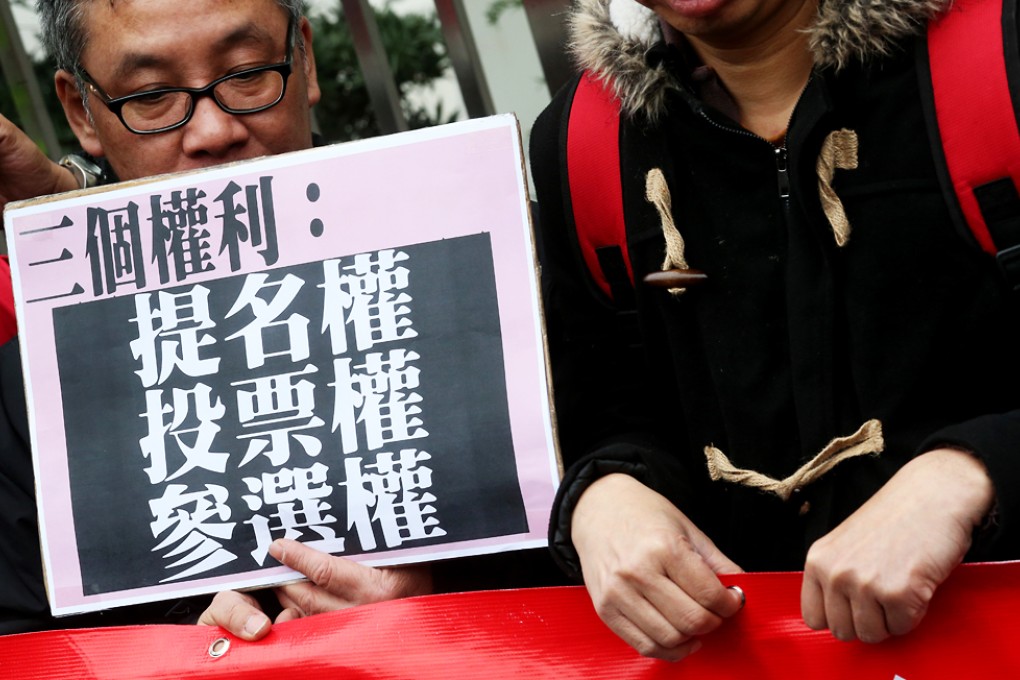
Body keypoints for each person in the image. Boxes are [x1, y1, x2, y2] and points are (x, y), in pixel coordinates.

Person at [3, 0, 565, 639]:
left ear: (305, 55)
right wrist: (186, 646)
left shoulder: (505, 266)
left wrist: (445, 603)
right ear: (81, 110)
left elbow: (617, 513)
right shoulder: (37, 388)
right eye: (153, 94)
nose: (213, 130)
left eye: (246, 73)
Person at [530, 0, 1019, 662]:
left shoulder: (999, 51)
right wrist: (603, 497)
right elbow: (604, 414)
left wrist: (976, 470)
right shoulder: (582, 143)